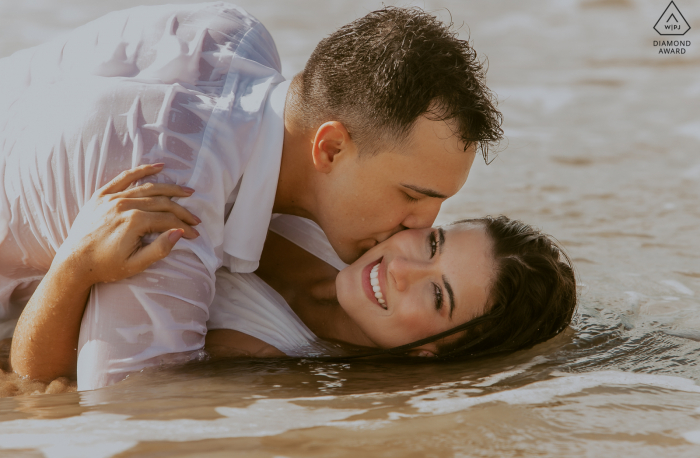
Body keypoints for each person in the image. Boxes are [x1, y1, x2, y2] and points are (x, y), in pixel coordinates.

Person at [0, 2, 502, 389]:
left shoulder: (231, 31)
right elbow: (124, 413)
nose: (422, 224)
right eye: (413, 194)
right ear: (329, 147)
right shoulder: (174, 204)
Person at [9, 166, 577, 384]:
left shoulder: (261, 357)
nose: (401, 267)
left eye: (436, 294)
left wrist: (75, 266)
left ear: (437, 349)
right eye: (433, 243)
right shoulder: (334, 227)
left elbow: (46, 381)